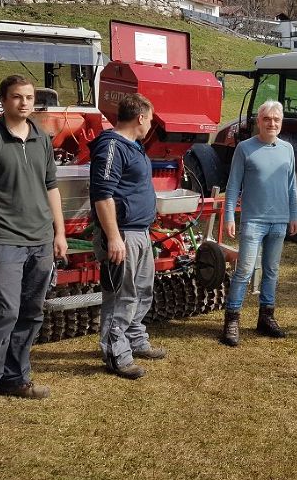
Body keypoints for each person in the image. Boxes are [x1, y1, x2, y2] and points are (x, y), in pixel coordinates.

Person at [0, 74, 68, 425]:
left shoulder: (41, 138)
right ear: (3, 100)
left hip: (40, 241)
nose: (24, 103)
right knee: (3, 312)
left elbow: (51, 188)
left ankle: (15, 378)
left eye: (29, 97)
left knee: (31, 313)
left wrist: (59, 232)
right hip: (5, 240)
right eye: (17, 97)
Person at [89, 93, 165, 380]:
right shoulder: (110, 146)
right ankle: (115, 353)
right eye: (151, 118)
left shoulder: (134, 146)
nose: (151, 124)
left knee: (142, 290)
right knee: (121, 295)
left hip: (140, 232)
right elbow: (102, 195)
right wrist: (113, 238)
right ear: (141, 117)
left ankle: (135, 339)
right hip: (122, 234)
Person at [221, 100, 297, 346]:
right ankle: (232, 320)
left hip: (278, 221)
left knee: (272, 271)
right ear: (259, 121)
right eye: (267, 119)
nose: (272, 123)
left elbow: (291, 185)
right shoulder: (245, 148)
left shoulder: (287, 149)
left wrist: (294, 215)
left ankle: (266, 317)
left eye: (276, 120)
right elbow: (233, 185)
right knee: (244, 270)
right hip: (253, 221)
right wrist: (229, 217)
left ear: (281, 123)